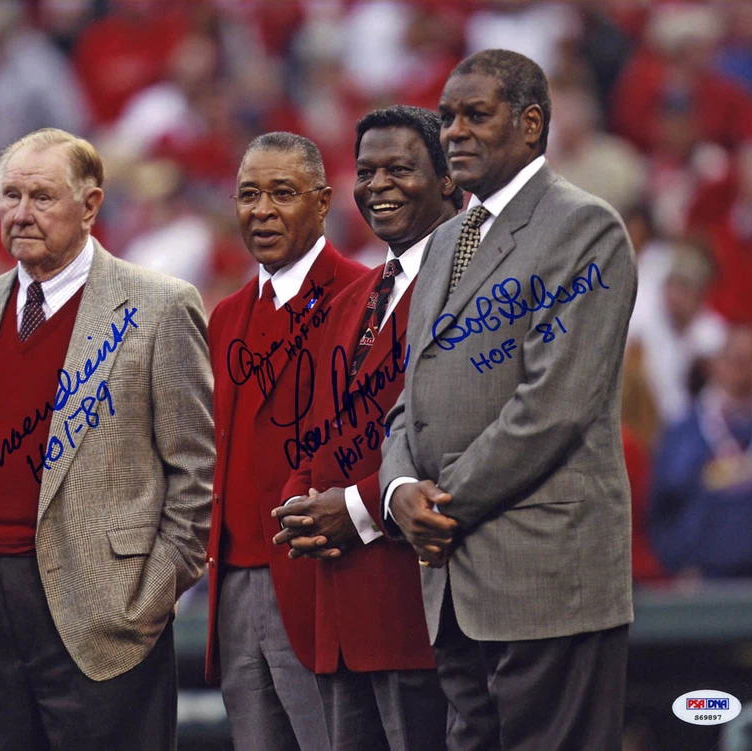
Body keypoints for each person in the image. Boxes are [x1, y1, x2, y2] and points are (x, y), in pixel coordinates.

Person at [0, 128, 214, 751]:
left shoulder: (161, 306)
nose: (21, 213)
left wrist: (147, 601)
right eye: (10, 195)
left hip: (106, 613)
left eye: (41, 196)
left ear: (91, 206)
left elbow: (196, 475)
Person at [379, 50, 637, 751]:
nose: (452, 132)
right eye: (446, 117)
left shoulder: (585, 228)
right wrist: (399, 487)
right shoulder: (441, 244)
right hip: (455, 583)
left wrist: (440, 502)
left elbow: (553, 406)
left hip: (547, 581)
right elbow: (412, 395)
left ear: (530, 125)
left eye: (475, 115)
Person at [272, 105, 461, 751]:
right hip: (337, 608)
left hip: (418, 608)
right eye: (367, 170)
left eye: (399, 168)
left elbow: (453, 437)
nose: (377, 184)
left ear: (447, 181)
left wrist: (352, 509)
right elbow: (318, 430)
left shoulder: (472, 282)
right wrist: (298, 502)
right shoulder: (353, 297)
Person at [205, 132, 366, 751]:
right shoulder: (227, 315)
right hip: (235, 590)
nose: (262, 210)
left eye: (282, 193)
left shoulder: (362, 293)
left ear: (323, 201)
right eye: (249, 194)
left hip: (323, 580)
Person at [649, 325, 752, 578]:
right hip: (707, 578)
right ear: (718, 365)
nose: (745, 371)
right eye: (737, 360)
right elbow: (662, 505)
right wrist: (676, 564)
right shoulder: (686, 431)